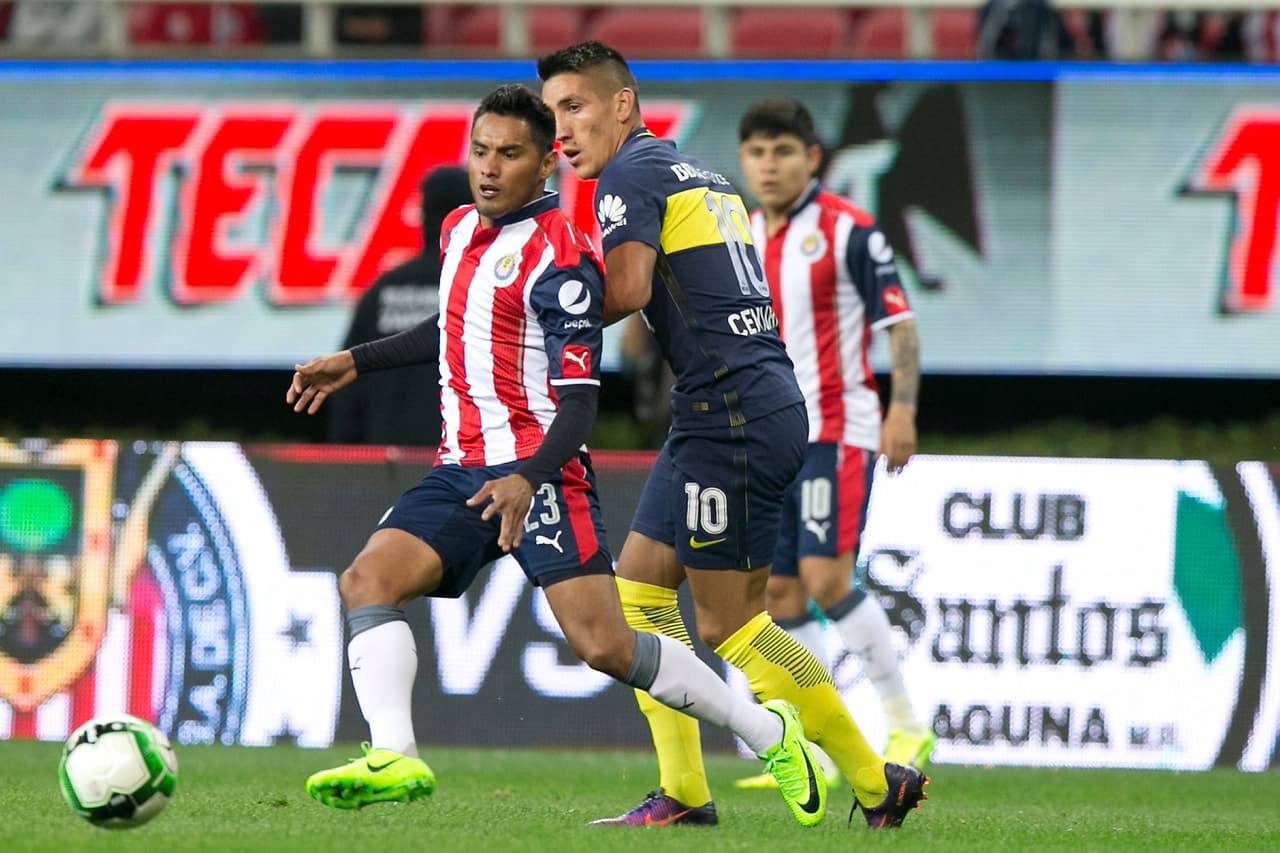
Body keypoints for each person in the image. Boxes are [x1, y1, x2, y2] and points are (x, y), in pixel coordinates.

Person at [285, 83, 822, 823]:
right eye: (480, 151)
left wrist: (528, 478)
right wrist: (357, 360)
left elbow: (579, 403)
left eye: (509, 154)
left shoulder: (562, 261)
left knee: (606, 644)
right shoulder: (456, 232)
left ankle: (768, 730)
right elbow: (458, 322)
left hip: (541, 473)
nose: (489, 168)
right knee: (365, 580)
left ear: (545, 165)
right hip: (461, 470)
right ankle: (397, 753)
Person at [538, 42, 927, 830]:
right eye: (552, 115)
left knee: (731, 624)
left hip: (733, 414)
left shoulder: (629, 176)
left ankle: (875, 778)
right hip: (722, 407)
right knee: (642, 591)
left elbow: (629, 290)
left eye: (574, 108)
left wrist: (536, 310)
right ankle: (683, 792)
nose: (561, 133)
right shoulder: (702, 174)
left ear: (623, 104)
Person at [731, 99, 935, 791]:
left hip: (835, 429)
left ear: (812, 158)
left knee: (825, 578)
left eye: (782, 151)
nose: (768, 165)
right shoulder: (739, 234)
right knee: (780, 592)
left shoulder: (850, 230)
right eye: (757, 152)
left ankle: (905, 719)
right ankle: (819, 741)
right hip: (766, 439)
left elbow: (900, 326)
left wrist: (901, 408)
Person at [328, 166, 471, 446]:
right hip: (466, 474)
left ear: (424, 214)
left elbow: (345, 392)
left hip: (386, 475)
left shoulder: (382, 292)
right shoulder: (484, 289)